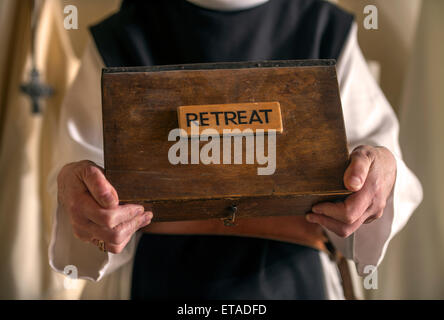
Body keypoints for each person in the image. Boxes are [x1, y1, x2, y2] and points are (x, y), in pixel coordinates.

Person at [49, 0, 423, 299]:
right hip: (155, 274)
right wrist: (80, 201)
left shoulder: (324, 28)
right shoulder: (123, 35)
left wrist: (381, 176)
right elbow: (78, 179)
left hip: (295, 272)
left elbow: (383, 171)